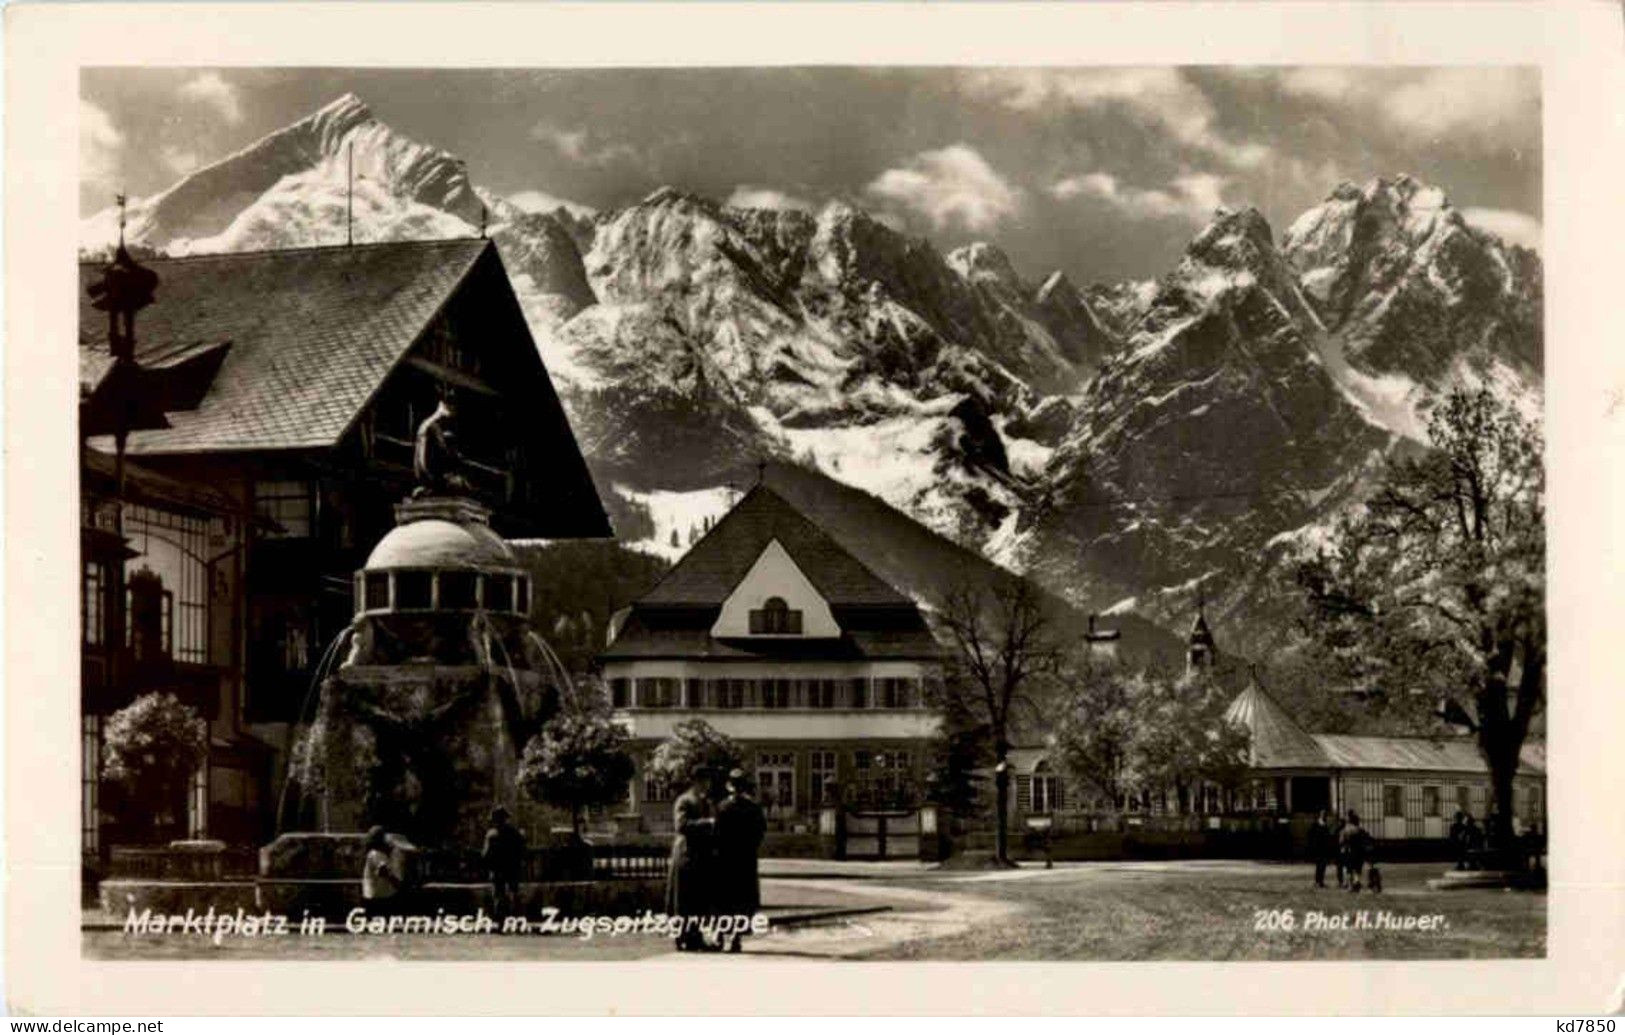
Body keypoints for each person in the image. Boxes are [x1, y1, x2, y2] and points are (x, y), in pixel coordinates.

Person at [713, 768, 768, 953]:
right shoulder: (753, 808)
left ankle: (721, 934)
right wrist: (750, 848)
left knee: (724, 899)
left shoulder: (722, 807)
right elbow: (760, 833)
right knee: (741, 901)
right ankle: (735, 937)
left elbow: (716, 834)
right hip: (744, 860)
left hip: (726, 860)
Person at [665, 768, 717, 952]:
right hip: (686, 855)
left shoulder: (705, 802)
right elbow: (682, 825)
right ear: (696, 781)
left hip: (700, 857)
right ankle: (682, 938)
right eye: (704, 781)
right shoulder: (685, 801)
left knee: (698, 900)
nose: (707, 785)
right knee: (684, 900)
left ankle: (695, 937)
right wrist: (707, 823)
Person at [482, 806, 526, 921]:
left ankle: (500, 919)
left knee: (498, 894)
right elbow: (522, 851)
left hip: (498, 869)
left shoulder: (492, 835)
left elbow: (486, 855)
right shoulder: (515, 833)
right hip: (513, 868)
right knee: (514, 892)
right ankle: (517, 917)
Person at [361, 825, 404, 916]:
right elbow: (383, 871)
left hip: (380, 895)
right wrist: (398, 885)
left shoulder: (387, 854)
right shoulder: (375, 854)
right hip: (377, 898)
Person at [1339, 809, 1372, 893]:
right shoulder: (1360, 830)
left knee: (1349, 869)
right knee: (1357, 869)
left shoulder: (1346, 830)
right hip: (1359, 852)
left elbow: (1341, 841)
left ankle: (1351, 885)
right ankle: (1357, 882)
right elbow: (1366, 839)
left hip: (1349, 851)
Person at [1307, 810, 1334, 888]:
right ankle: (1318, 881)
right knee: (1319, 865)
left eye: (1325, 815)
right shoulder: (1316, 825)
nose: (1325, 816)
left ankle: (1320, 881)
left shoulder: (1324, 825)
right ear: (1320, 816)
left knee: (1322, 865)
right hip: (1318, 848)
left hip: (1324, 848)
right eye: (1323, 815)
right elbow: (1311, 836)